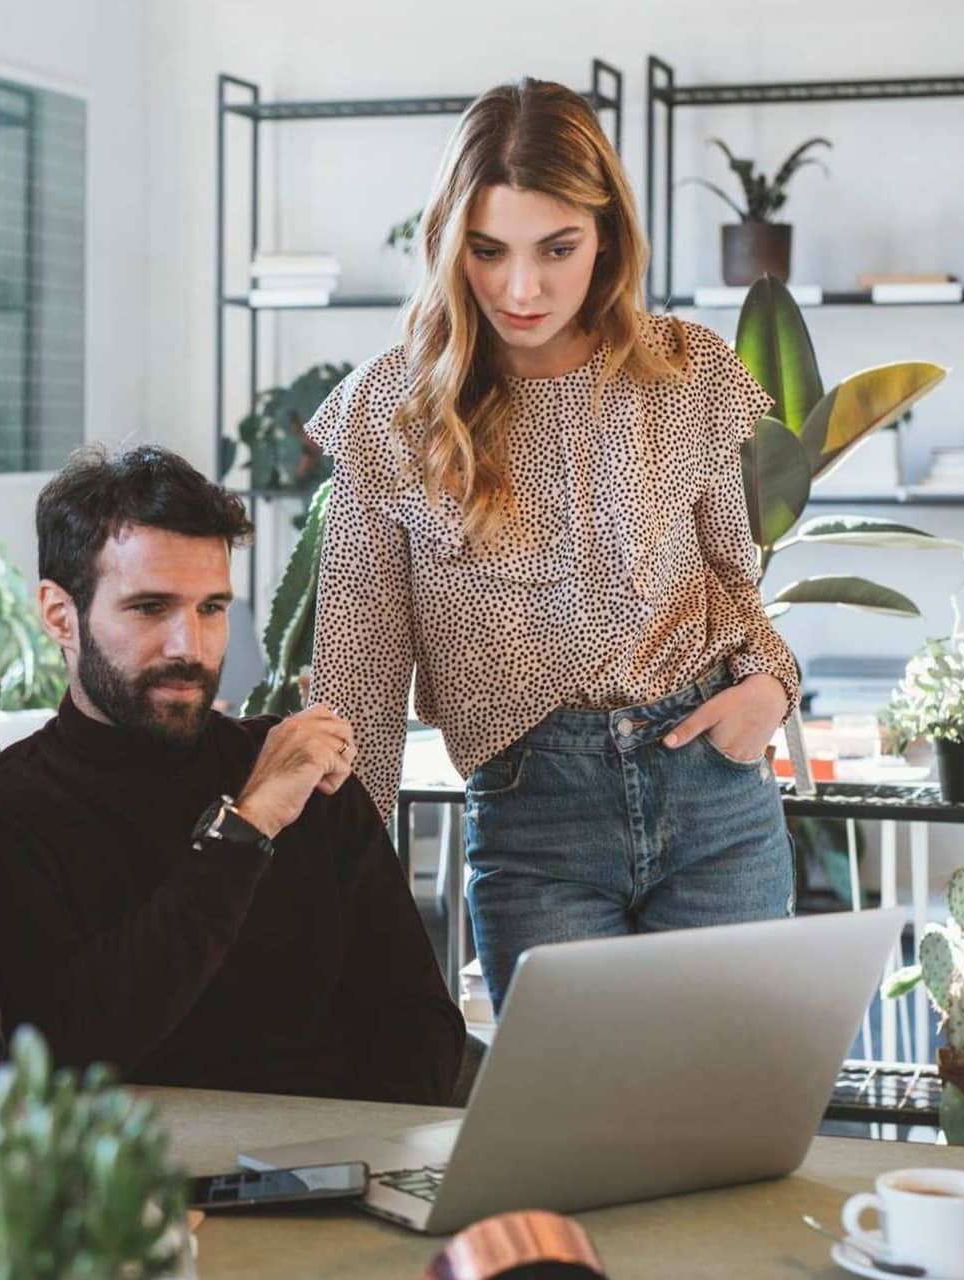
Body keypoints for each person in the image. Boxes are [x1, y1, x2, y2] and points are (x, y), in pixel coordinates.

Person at [304, 80, 800, 1011]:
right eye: (488, 251)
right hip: (539, 817)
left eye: (556, 249)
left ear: (605, 234)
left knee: (724, 1130)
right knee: (583, 1133)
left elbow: (736, 581)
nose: (519, 289)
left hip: (716, 795)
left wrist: (769, 686)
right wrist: (342, 889)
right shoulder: (391, 409)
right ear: (451, 244)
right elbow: (358, 674)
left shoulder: (686, 371)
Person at [0, 445, 465, 1105]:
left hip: (335, 1176)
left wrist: (318, 1162)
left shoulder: (307, 780)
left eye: (211, 608)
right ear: (58, 615)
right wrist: (244, 829)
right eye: (151, 608)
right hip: (127, 1194)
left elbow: (426, 1030)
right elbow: (57, 1057)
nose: (190, 646)